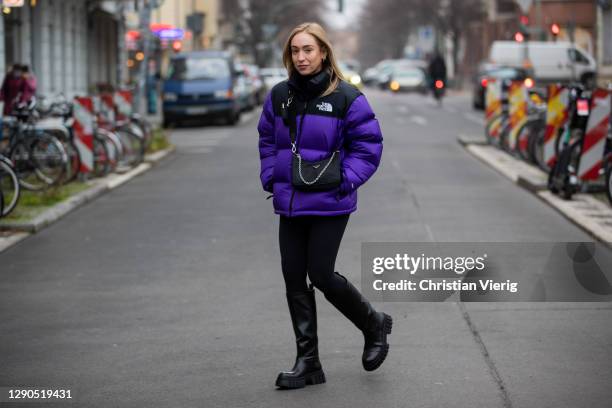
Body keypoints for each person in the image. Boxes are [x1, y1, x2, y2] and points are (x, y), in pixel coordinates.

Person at [257, 22, 392, 390]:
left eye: (308, 50)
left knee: (320, 274)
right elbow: (268, 137)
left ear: (323, 53)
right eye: (296, 51)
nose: (301, 57)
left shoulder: (347, 97)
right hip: (290, 201)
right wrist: (271, 174)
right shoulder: (280, 95)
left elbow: (369, 146)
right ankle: (308, 363)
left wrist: (345, 180)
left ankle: (373, 323)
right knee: (292, 278)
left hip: (330, 201)